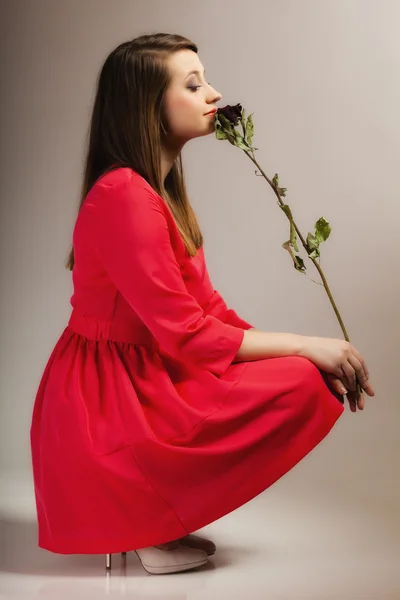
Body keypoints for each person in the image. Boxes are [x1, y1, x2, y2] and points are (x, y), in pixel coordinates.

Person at [30, 33, 375, 576]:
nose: (212, 94)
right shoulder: (124, 195)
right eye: (193, 85)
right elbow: (189, 333)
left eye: (206, 80)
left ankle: (156, 516)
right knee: (305, 373)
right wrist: (309, 346)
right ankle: (144, 518)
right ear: (149, 107)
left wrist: (306, 354)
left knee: (304, 375)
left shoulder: (158, 192)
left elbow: (209, 308)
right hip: (113, 401)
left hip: (148, 374)